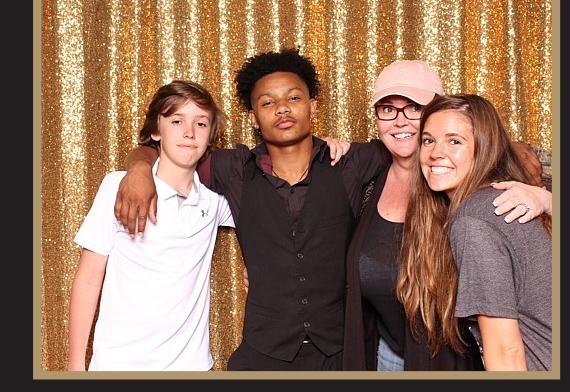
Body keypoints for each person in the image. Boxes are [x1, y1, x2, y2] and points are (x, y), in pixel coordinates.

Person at [114, 49, 387, 370]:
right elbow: (164, 148)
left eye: (294, 98)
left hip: (341, 350)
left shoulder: (350, 162)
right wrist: (139, 170)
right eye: (268, 102)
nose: (282, 108)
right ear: (253, 118)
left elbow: (403, 144)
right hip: (265, 351)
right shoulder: (233, 169)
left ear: (312, 107)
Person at [68, 81, 235, 371]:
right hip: (118, 365)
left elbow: (269, 218)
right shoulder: (117, 187)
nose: (189, 132)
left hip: (191, 367)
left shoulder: (216, 200)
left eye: (200, 123)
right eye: (176, 121)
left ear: (211, 136)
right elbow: (89, 278)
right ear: (156, 131)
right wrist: (75, 365)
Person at [398, 93, 552, 370]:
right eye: (428, 140)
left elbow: (505, 353)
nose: (435, 153)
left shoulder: (474, 221)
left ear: (484, 149)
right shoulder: (495, 201)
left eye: (454, 141)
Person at [343, 61, 477, 372]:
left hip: (455, 364)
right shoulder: (366, 180)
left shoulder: (461, 177)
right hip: (388, 358)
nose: (400, 120)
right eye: (388, 109)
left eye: (414, 108)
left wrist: (544, 199)